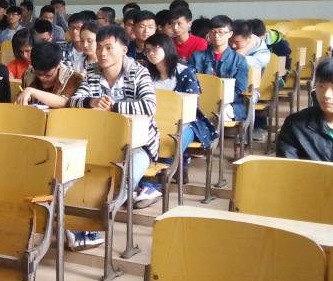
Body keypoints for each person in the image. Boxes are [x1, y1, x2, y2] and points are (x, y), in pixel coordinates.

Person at [70, 25, 160, 198]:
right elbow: (74, 101)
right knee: (73, 172)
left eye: (109, 48)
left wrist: (115, 107)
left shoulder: (139, 72)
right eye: (99, 47)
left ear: (124, 50)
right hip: (100, 138)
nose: (102, 53)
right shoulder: (93, 71)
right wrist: (91, 101)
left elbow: (149, 106)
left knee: (126, 178)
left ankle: (112, 206)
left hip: (138, 144)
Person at [141, 33, 216, 153]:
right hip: (153, 120)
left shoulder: (185, 72)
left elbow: (191, 105)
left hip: (182, 122)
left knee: (171, 145)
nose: (151, 53)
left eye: (155, 49)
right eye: (148, 50)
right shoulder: (144, 73)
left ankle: (174, 163)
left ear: (166, 48)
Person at [189, 15, 249, 122]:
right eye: (213, 32)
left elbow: (240, 88)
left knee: (220, 111)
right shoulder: (196, 57)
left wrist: (218, 98)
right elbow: (190, 82)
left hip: (230, 103)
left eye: (221, 32)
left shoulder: (239, 60)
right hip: (200, 100)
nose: (216, 36)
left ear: (230, 34)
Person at [16, 41, 80, 108]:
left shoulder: (72, 78)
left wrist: (31, 91)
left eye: (48, 75)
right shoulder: (28, 74)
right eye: (38, 74)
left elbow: (65, 102)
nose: (42, 78)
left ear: (58, 65)